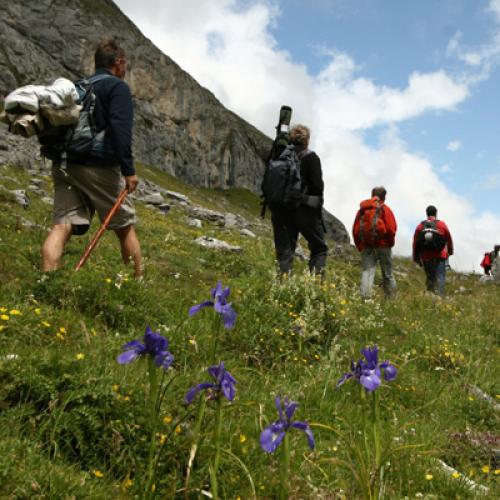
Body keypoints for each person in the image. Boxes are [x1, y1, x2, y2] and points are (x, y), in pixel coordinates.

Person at [41, 39, 142, 277]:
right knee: (124, 226)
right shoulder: (117, 88)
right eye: (124, 65)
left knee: (62, 224)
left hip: (64, 162)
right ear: (118, 63)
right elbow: (120, 130)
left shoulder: (79, 86)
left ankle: (46, 280)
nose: (125, 70)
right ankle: (137, 284)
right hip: (97, 166)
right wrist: (128, 170)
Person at [270, 124, 328, 276]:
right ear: (306, 140)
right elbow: (317, 186)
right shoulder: (311, 157)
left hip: (279, 210)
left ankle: (282, 288)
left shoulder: (279, 155)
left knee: (285, 251)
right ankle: (317, 288)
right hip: (303, 210)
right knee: (319, 248)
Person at [352, 186, 397, 299]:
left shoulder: (363, 209)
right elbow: (391, 229)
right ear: (384, 197)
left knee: (367, 271)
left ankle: (366, 299)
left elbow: (355, 229)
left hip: (367, 246)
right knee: (387, 273)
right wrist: (389, 244)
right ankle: (391, 300)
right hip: (383, 246)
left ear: (372, 194)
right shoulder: (385, 209)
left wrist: (360, 245)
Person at [412, 205, 453, 296]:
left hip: (426, 256)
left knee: (430, 277)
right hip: (440, 255)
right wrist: (450, 251)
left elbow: (415, 242)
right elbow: (448, 238)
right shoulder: (442, 225)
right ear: (436, 213)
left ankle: (430, 296)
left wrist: (416, 257)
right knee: (440, 277)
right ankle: (440, 297)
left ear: (426, 214)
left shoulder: (420, 226)